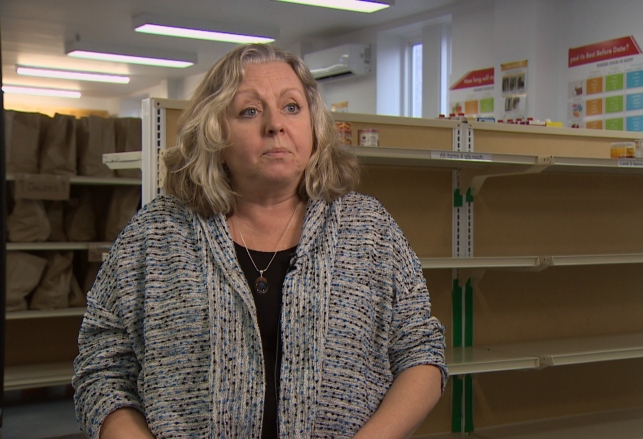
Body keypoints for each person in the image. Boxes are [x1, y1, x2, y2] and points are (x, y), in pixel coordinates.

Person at [72, 43, 448, 438]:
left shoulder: (371, 230)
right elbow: (101, 367)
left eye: (291, 107)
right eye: (250, 111)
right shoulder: (156, 234)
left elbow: (421, 352)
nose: (275, 125)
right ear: (215, 131)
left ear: (313, 124)